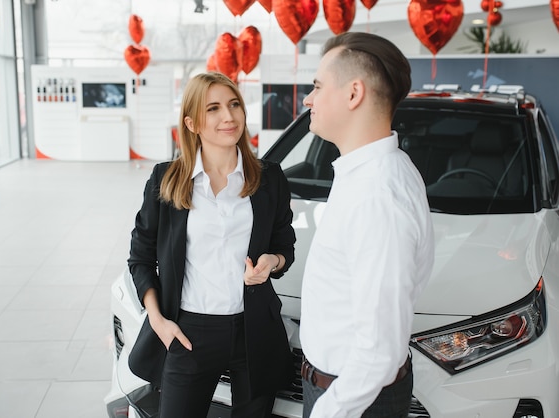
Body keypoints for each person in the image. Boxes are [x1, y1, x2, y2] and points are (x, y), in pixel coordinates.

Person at [127, 72, 296, 418]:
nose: (229, 117)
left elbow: (285, 245)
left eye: (234, 105)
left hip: (254, 330)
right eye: (214, 109)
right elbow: (140, 258)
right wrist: (158, 320)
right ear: (191, 123)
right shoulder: (166, 180)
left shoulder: (269, 179)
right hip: (190, 331)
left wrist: (272, 261)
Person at [299, 32, 435, 417]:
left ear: (354, 93)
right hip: (345, 391)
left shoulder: (378, 195)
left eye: (318, 86)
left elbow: (379, 350)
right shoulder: (371, 172)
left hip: (352, 402)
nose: (308, 99)